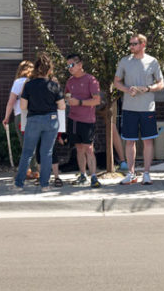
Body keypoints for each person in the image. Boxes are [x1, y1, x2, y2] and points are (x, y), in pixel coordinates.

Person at [114, 34, 164, 185]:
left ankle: (147, 174)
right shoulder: (125, 61)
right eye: (130, 44)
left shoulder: (152, 61)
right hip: (129, 108)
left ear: (143, 44)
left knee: (148, 141)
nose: (131, 47)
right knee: (130, 141)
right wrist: (127, 89)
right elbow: (116, 82)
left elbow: (160, 83)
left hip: (147, 108)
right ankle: (131, 173)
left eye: (134, 44)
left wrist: (148, 88)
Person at [12, 54, 66, 191]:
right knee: (46, 152)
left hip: (34, 119)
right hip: (51, 120)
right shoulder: (54, 85)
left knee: (27, 152)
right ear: (49, 69)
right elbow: (62, 106)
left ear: (36, 69)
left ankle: (19, 184)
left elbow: (23, 106)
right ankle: (45, 185)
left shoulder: (29, 85)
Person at [65, 53, 102, 189]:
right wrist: (67, 100)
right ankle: (82, 175)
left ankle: (94, 177)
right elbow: (67, 96)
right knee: (79, 148)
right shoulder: (70, 81)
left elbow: (97, 100)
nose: (69, 68)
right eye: (68, 65)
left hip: (87, 120)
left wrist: (79, 102)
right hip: (73, 119)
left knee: (88, 148)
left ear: (80, 65)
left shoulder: (91, 80)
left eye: (72, 65)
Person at [3, 60, 40, 181]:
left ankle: (27, 171)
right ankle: (34, 170)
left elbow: (11, 101)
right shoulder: (36, 82)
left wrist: (6, 117)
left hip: (20, 115)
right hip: (35, 115)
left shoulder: (18, 82)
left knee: (25, 144)